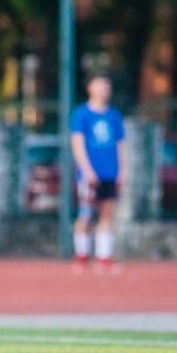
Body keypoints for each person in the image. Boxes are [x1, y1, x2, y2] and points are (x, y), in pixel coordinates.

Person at [70, 72, 126, 271]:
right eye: (101, 85)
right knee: (85, 214)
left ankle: (104, 257)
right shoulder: (82, 114)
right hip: (90, 174)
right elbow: (77, 144)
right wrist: (86, 170)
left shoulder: (114, 116)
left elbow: (120, 145)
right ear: (90, 88)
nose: (105, 90)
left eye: (107, 86)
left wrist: (122, 171)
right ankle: (82, 256)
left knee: (107, 215)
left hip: (110, 172)